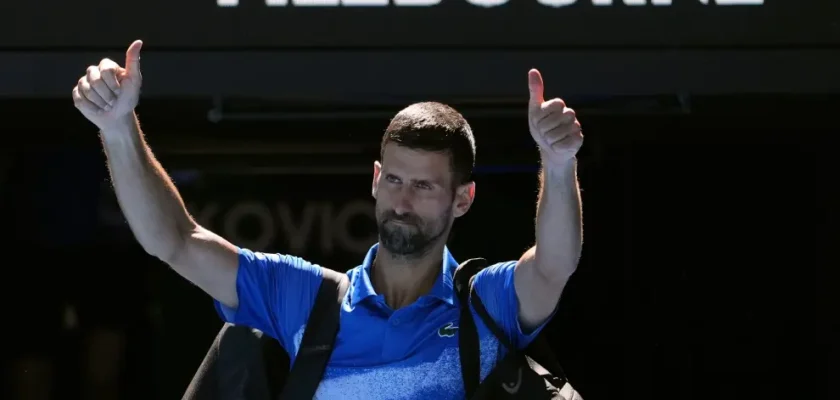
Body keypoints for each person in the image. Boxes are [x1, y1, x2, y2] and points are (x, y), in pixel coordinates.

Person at [71, 40, 584, 399]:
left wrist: (559, 165)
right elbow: (176, 241)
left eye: (425, 186)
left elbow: (553, 265)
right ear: (376, 178)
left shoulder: (485, 305)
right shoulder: (304, 298)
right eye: (394, 181)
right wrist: (118, 129)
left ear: (463, 199)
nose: (402, 202)